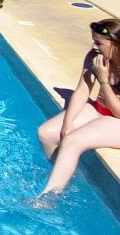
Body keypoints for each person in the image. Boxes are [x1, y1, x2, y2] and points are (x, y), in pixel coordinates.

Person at [36, 19, 120, 196]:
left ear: (116, 44)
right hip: (100, 109)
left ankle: (47, 198)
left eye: (99, 43)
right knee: (47, 133)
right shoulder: (94, 57)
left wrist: (103, 79)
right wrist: (68, 123)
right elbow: (83, 90)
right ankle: (63, 176)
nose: (94, 46)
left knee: (72, 141)